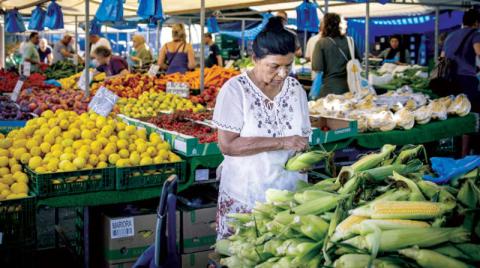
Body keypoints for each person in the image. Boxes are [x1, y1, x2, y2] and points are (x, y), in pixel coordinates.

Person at [213, 16, 311, 240]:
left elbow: (304, 138)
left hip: (288, 195)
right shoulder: (235, 90)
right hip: (247, 194)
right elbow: (228, 145)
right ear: (255, 59)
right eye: (274, 66)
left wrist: (306, 156)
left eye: (288, 66)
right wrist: (282, 142)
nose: (283, 74)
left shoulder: (295, 89)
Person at [311, 13, 360, 97]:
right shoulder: (350, 41)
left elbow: (317, 67)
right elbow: (357, 61)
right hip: (350, 89)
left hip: (329, 90)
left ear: (325, 25)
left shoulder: (321, 43)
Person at [442, 9, 480, 112]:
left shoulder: (450, 36)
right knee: (469, 110)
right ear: (476, 22)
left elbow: (442, 57)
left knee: (454, 110)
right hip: (466, 79)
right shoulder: (475, 34)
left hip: (449, 78)